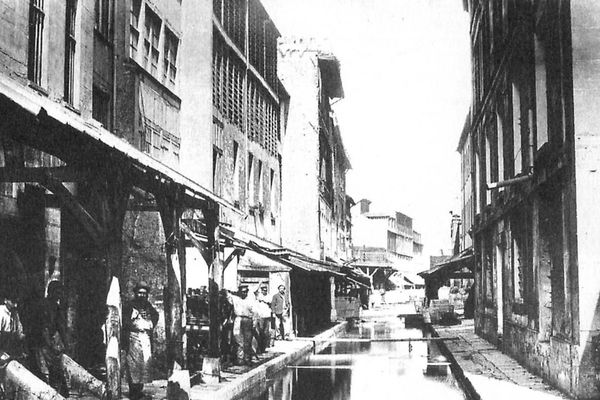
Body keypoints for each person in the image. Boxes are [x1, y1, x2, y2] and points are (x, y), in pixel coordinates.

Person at [123, 281, 159, 400]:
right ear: (136, 293)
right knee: (133, 365)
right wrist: (133, 325)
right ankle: (133, 391)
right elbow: (124, 320)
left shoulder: (148, 306)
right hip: (133, 337)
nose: (142, 295)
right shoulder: (129, 305)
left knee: (144, 363)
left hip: (145, 338)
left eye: (144, 293)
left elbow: (155, 315)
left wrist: (150, 323)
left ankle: (140, 390)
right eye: (140, 293)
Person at [39, 280, 68, 396]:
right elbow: (44, 327)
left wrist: (65, 343)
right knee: (46, 372)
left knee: (56, 372)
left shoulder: (56, 306)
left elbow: (60, 326)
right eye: (58, 292)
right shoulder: (44, 305)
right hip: (42, 343)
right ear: (51, 292)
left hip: (51, 342)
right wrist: (49, 344)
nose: (60, 294)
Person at [228, 285, 254, 366]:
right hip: (238, 319)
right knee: (238, 339)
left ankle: (247, 358)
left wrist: (254, 321)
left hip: (247, 319)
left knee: (248, 340)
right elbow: (227, 294)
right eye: (243, 292)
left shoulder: (250, 300)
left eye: (246, 292)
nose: (244, 293)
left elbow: (255, 311)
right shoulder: (235, 299)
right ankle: (240, 358)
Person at [0, 294, 25, 358]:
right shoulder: (1, 312)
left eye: (16, 303)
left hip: (11, 348)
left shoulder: (15, 313)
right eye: (13, 302)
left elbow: (19, 331)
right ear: (6, 300)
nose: (15, 305)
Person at [253, 285, 271, 354]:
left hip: (267, 316)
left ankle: (263, 348)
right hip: (260, 317)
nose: (264, 291)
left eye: (266, 290)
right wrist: (259, 284)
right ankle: (259, 348)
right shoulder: (259, 296)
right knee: (260, 333)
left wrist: (263, 300)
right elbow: (254, 291)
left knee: (266, 333)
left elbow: (270, 302)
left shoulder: (269, 296)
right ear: (261, 290)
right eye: (263, 290)